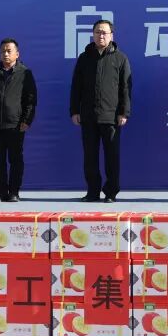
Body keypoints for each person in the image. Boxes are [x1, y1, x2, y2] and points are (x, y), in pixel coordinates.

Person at [69, 19, 131, 203]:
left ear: (111, 35)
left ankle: (111, 192)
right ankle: (92, 191)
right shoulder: (84, 58)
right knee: (90, 157)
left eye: (104, 32)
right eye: (97, 32)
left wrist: (124, 112)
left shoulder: (120, 58)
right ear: (93, 35)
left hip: (111, 116)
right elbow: (76, 87)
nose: (101, 35)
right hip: (88, 116)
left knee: (112, 157)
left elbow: (126, 88)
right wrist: (74, 110)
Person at [0, 38, 38, 203]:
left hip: (16, 125)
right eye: (2, 51)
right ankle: (0, 192)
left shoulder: (25, 73)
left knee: (15, 160)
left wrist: (27, 120)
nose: (5, 54)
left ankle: (14, 192)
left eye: (9, 51)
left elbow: (31, 100)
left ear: (17, 54)